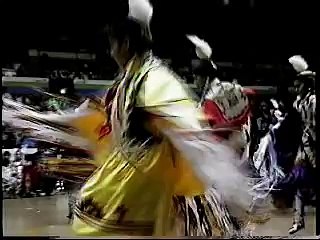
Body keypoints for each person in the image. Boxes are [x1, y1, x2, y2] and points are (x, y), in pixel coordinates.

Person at [2, 0, 263, 237]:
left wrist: (215, 174)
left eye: (112, 44)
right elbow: (100, 116)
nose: (110, 51)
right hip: (128, 179)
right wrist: (39, 119)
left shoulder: (153, 79)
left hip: (145, 185)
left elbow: (188, 128)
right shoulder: (130, 78)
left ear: (125, 43)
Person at [287, 55, 316, 234]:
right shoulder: (299, 102)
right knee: (298, 182)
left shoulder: (314, 101)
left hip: (315, 147)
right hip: (305, 147)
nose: (296, 88)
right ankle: (298, 221)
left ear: (307, 85)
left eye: (299, 85)